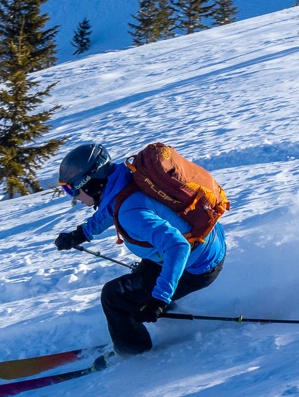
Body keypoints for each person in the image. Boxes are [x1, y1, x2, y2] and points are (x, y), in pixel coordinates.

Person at [54, 141, 226, 355]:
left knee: (115, 297)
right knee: (141, 278)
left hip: (197, 267)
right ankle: (161, 314)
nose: (74, 197)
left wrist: (159, 299)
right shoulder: (127, 177)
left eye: (72, 189)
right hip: (209, 242)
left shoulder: (130, 214)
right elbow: (111, 207)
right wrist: (81, 234)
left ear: (90, 183)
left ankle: (133, 352)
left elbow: (177, 246)